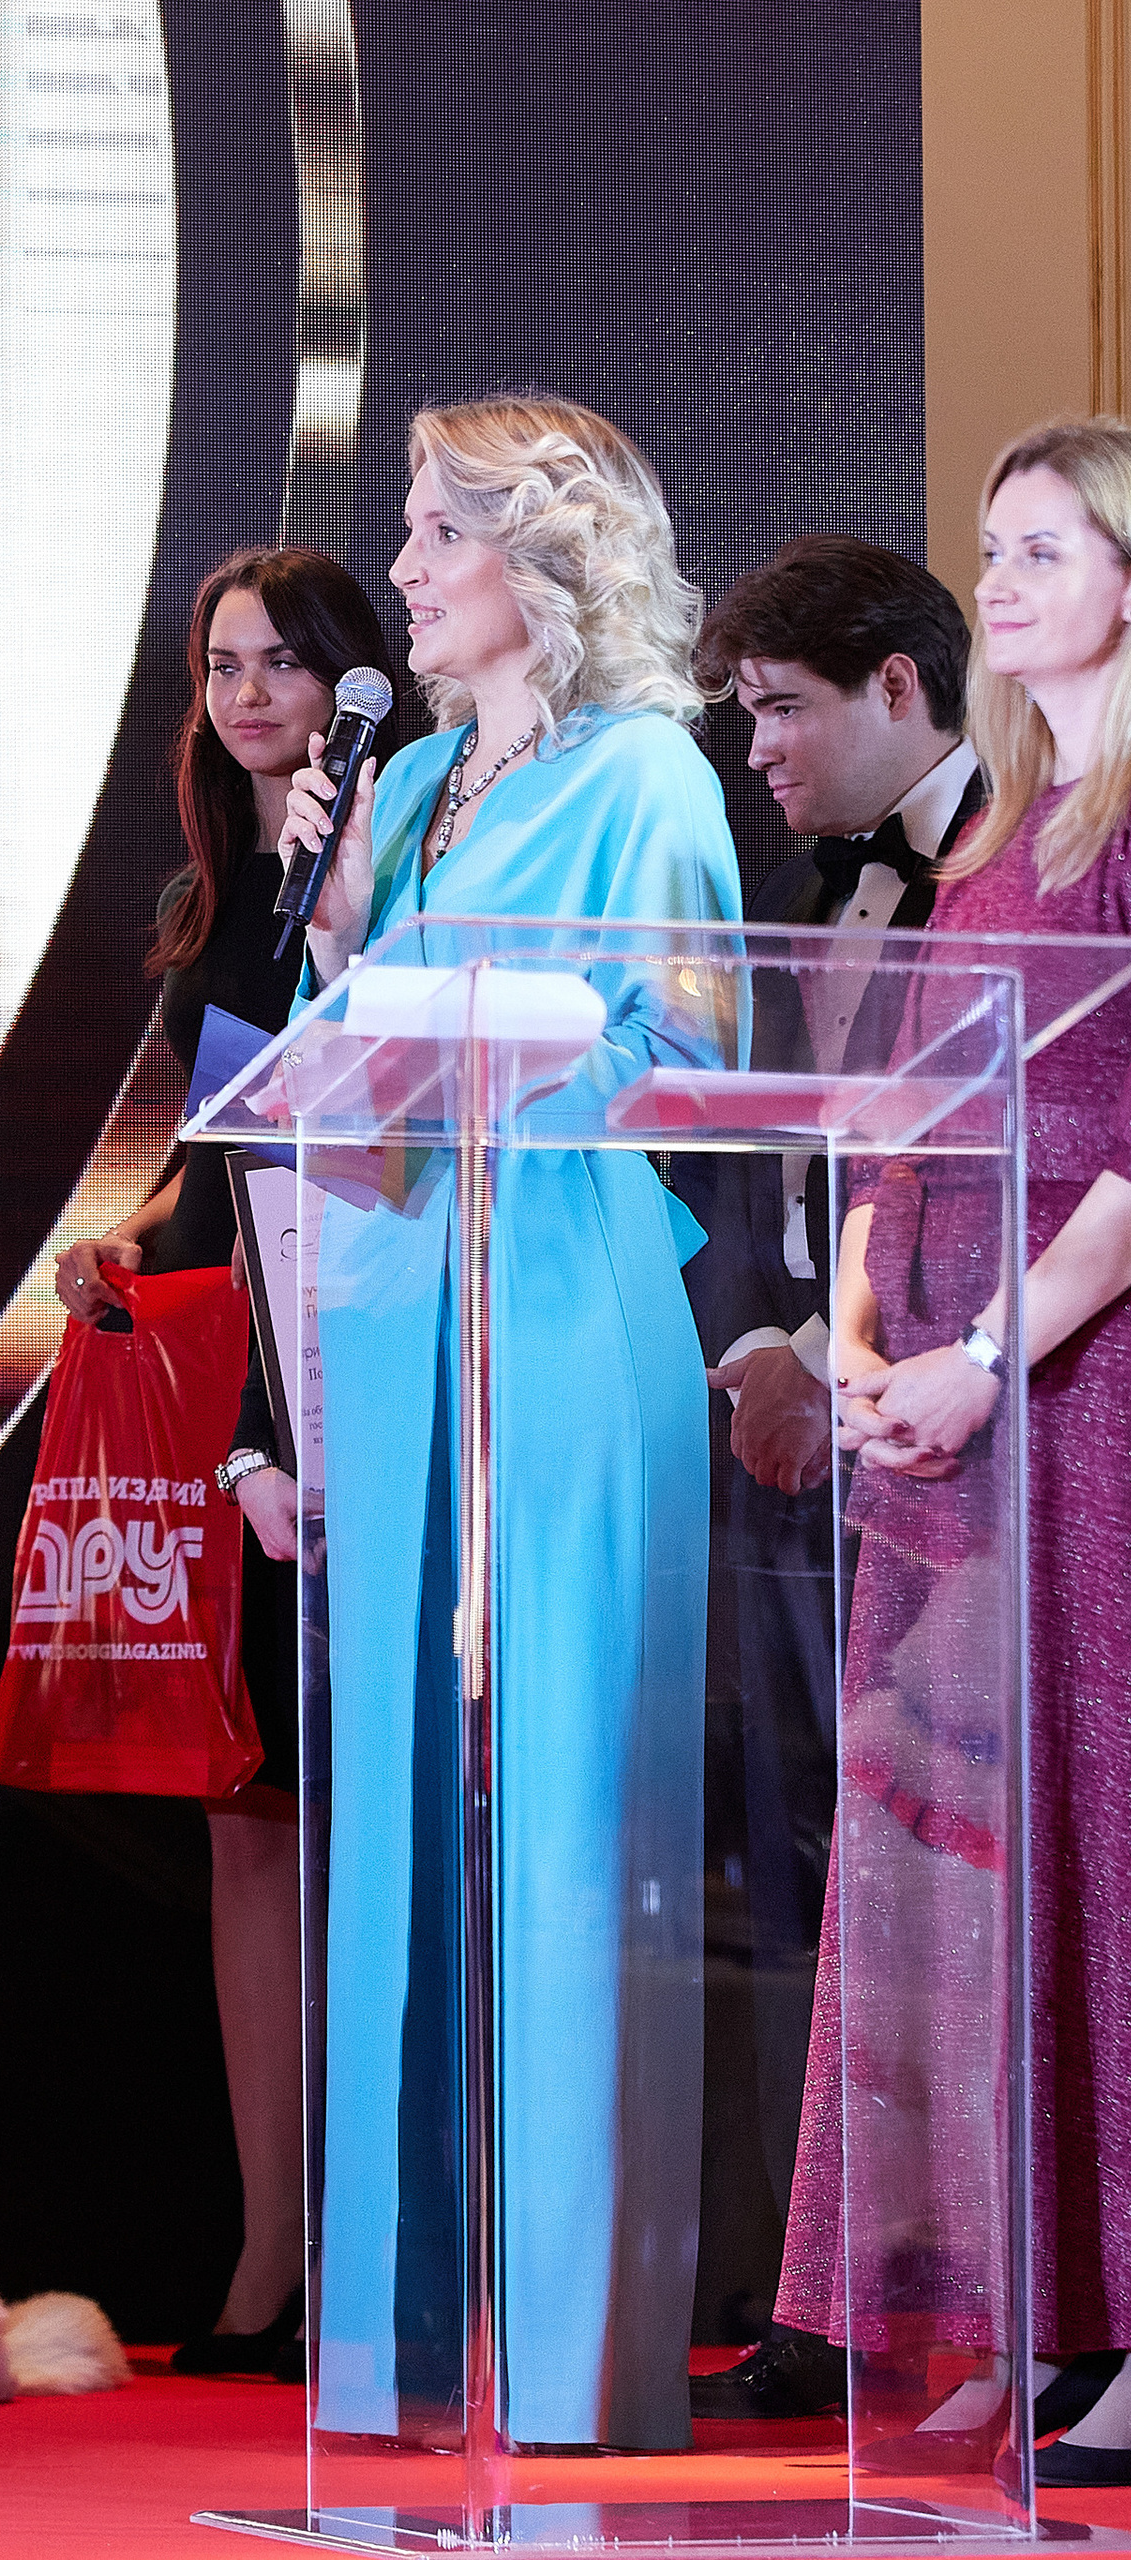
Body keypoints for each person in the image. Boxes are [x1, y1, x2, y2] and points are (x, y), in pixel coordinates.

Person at [253, 395, 740, 2450]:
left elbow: (691, 1057)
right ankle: (396, 2341)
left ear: (549, 557)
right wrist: (336, 946)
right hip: (394, 1309)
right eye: (414, 526)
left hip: (555, 1292)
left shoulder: (648, 774)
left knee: (559, 1806)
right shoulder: (409, 780)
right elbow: (327, 1056)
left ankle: (568, 2350)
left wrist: (485, 1068)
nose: (406, 565)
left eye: (440, 528)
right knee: (393, 1808)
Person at [771, 417, 1131, 2481]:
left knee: (1102, 1842)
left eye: (1043, 546)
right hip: (946, 1418)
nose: (996, 577)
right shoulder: (995, 838)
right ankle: (1025, 2301)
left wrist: (989, 1349)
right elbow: (898, 1126)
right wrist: (853, 1340)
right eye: (989, 545)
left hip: (1079, 1393)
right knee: (978, 1872)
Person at [50, 545, 402, 2378]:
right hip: (231, 1373)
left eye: (284, 662)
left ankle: (391, 2244)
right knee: (245, 1820)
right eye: (223, 664)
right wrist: (129, 1239)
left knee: (375, 1813)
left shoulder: (399, 861)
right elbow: (224, 1142)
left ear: (354, 681)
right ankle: (271, 2252)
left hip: (371, 1348)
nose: (250, 694)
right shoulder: (211, 898)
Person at [677, 539, 983, 2423]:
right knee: (818, 1864)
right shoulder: (805, 891)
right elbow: (778, 1165)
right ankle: (837, 2297)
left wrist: (847, 1351)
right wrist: (773, 1349)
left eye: (783, 708)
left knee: (961, 1878)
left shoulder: (1025, 870)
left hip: (981, 1433)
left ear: (898, 686)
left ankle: (998, 2305)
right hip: (809, 1427)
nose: (759, 750)